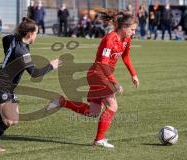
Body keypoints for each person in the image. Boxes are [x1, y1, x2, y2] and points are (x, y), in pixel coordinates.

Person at [0, 17, 62, 152]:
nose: (37, 36)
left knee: (13, 119)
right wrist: (51, 66)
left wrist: (7, 62)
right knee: (9, 120)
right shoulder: (23, 52)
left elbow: (5, 40)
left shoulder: (12, 39)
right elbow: (34, 73)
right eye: (36, 33)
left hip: (7, 86)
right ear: (29, 34)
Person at [50, 12, 139, 148]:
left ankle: (63, 102)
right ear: (124, 27)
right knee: (112, 106)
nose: (134, 32)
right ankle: (99, 139)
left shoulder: (127, 40)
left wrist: (133, 74)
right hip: (98, 74)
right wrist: (114, 82)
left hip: (101, 74)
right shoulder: (110, 39)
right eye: (132, 29)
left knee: (93, 112)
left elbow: (126, 56)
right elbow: (103, 64)